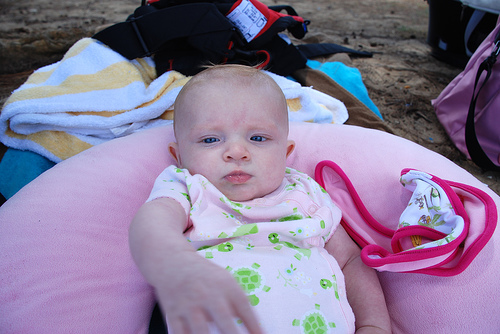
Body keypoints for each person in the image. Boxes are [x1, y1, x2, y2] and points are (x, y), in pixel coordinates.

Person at [129, 64, 391, 334]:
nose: (236, 152)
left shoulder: (304, 193)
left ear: (285, 152)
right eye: (209, 140)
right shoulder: (190, 188)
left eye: (257, 138)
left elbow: (350, 260)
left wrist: (374, 325)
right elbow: (156, 218)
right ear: (180, 156)